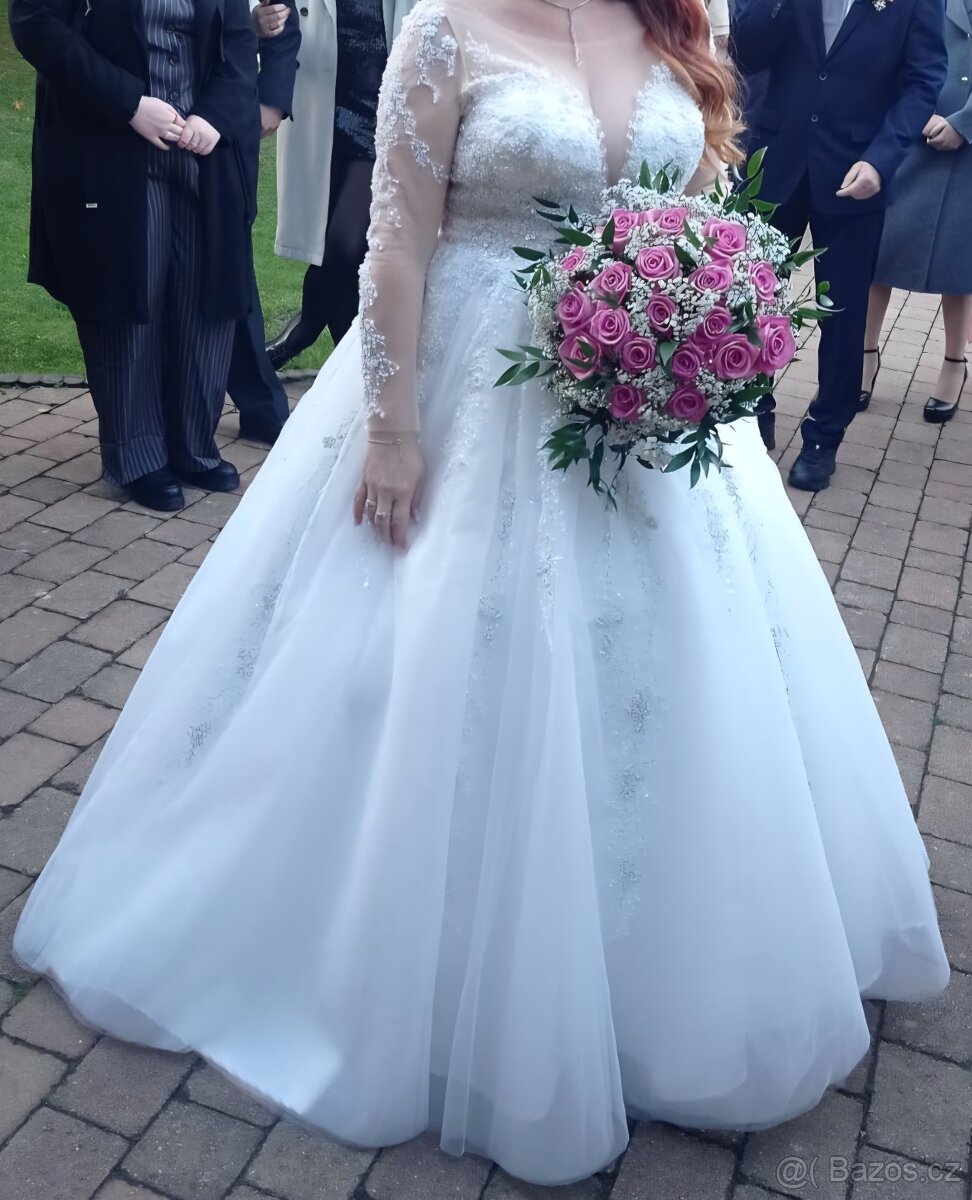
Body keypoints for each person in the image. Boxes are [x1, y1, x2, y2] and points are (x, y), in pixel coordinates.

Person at [15, 0, 948, 1187]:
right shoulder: (446, 29)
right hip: (471, 386)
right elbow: (397, 243)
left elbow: (696, 207)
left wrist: (706, 310)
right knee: (435, 652)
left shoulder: (677, 21)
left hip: (648, 407)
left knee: (682, 665)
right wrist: (392, 431)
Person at [9, 0, 259, 512]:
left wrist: (214, 115)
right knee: (129, 293)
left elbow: (237, 38)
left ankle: (193, 445)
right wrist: (129, 103)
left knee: (204, 297)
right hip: (108, 140)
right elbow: (33, 23)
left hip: (204, 153)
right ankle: (137, 455)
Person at [733, 0, 948, 490]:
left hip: (857, 169)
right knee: (752, 299)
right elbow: (747, 50)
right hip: (776, 160)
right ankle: (753, 410)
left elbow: (922, 82)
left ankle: (824, 435)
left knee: (843, 311)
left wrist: (882, 160)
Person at [264, 0, 419, 369]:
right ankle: (353, 376)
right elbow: (266, 13)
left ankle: (300, 333)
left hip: (382, 119)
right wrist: (261, 21)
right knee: (343, 264)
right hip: (322, 114)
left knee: (345, 247)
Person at [861, 0, 972, 424]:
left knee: (958, 264)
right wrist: (915, 111)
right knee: (880, 253)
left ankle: (954, 363)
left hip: (968, 146)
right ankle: (863, 353)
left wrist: (964, 123)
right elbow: (890, 48)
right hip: (911, 131)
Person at [225, 0, 302, 447]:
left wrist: (272, 98)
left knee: (229, 255)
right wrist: (247, 25)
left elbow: (282, 21)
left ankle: (260, 404)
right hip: (157, 113)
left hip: (232, 120)